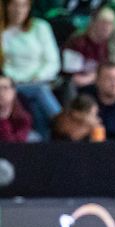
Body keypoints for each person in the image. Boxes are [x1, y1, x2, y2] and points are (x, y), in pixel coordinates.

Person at [3, 0, 63, 137]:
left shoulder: (41, 27)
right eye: (15, 5)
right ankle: (64, 124)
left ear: (29, 8)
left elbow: (53, 61)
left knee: (36, 99)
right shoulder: (2, 31)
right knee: (39, 92)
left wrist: (37, 77)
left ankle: (43, 141)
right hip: (12, 84)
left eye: (23, 6)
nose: (19, 10)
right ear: (7, 7)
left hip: (40, 80)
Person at [63, 5, 115, 89]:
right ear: (93, 22)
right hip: (77, 88)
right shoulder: (77, 42)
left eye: (111, 24)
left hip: (97, 87)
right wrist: (98, 77)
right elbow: (73, 78)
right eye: (104, 22)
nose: (107, 27)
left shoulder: (109, 45)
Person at [0, 75, 34, 141]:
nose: (1, 92)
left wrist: (3, 119)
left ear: (14, 91)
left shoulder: (23, 118)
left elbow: (16, 143)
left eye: (5, 88)